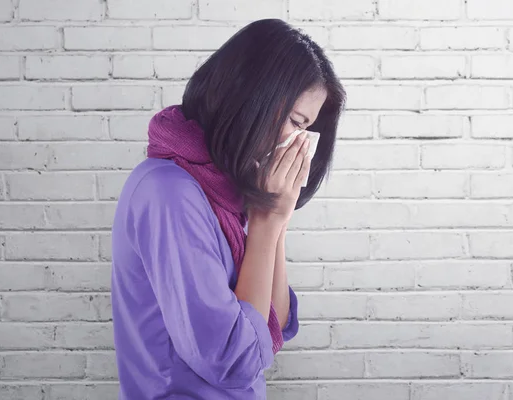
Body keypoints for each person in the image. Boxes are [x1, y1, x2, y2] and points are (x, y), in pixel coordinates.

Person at [111, 18, 345, 400]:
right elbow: (235, 361)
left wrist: (274, 218)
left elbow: (274, 324)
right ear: (253, 97)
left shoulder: (226, 193)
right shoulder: (169, 192)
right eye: (295, 122)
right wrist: (268, 223)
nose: (299, 143)